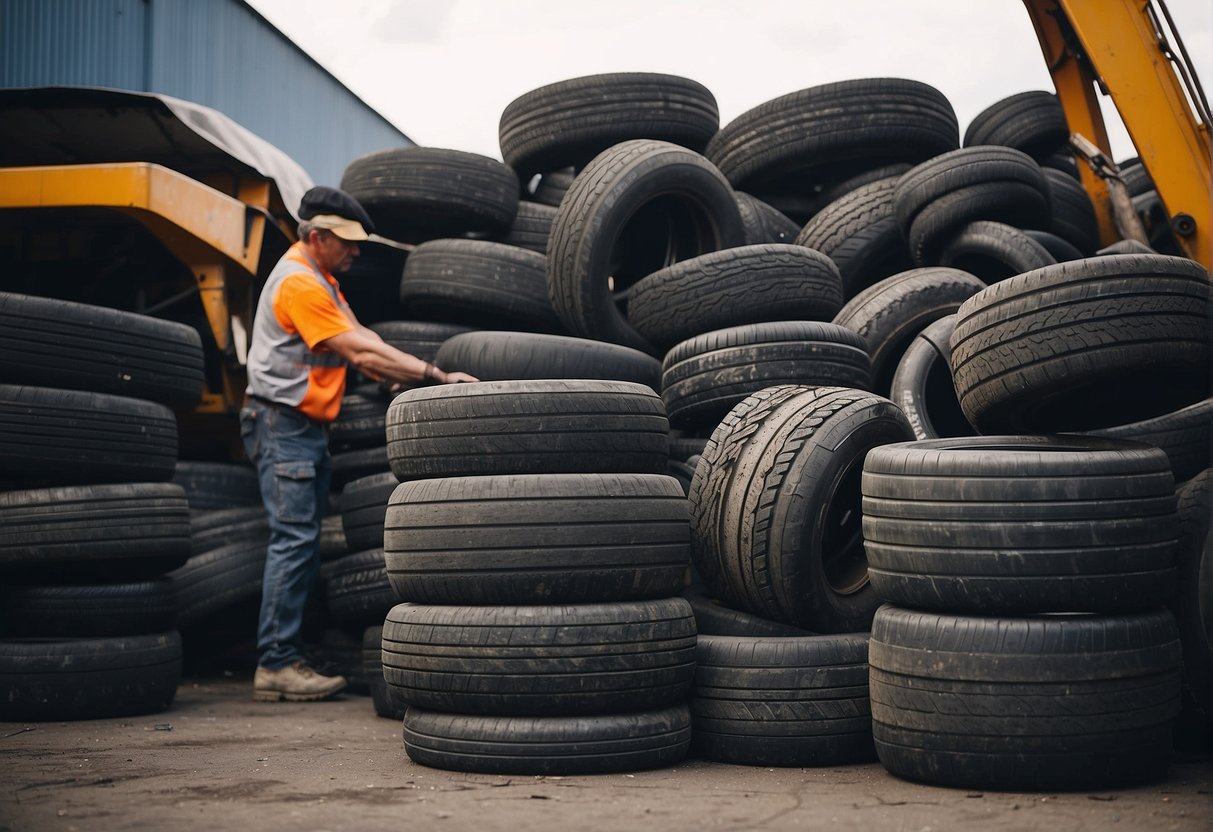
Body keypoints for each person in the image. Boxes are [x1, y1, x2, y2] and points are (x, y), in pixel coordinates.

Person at [242, 185, 476, 702]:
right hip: (283, 425)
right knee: (294, 541)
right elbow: (357, 351)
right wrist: (434, 375)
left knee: (301, 544)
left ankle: (287, 653)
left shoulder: (322, 280)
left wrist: (396, 375)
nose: (356, 251)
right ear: (318, 236)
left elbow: (361, 337)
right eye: (347, 243)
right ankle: (276, 663)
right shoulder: (300, 284)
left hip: (300, 427)